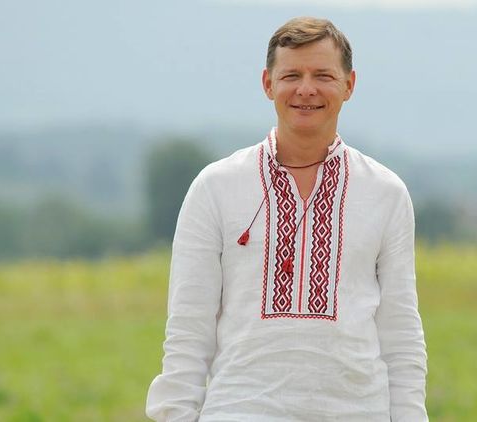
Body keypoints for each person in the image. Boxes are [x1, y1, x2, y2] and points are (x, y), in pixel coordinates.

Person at [146, 16, 428, 421]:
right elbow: (188, 330)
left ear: (349, 85)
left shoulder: (386, 192)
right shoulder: (215, 187)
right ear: (268, 84)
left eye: (323, 76)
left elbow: (401, 335)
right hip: (240, 410)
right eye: (291, 75)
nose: (306, 89)